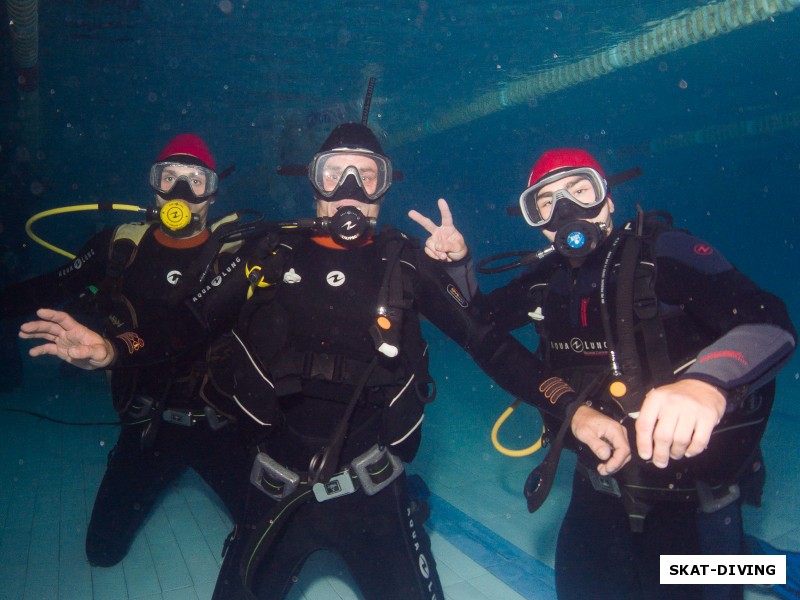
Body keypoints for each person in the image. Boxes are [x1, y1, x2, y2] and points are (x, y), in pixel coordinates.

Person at [17, 126, 633, 600]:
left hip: (374, 494)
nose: (348, 192)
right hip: (272, 491)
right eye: (334, 174)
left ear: (384, 188)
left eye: (365, 178)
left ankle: (412, 503)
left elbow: (489, 344)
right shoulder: (267, 250)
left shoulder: (405, 262)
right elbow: (190, 322)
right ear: (312, 183)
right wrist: (115, 348)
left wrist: (569, 409)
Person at [409, 148, 796, 600]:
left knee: (692, 584)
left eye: (580, 190)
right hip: (598, 487)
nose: (566, 210)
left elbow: (769, 320)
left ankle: (753, 563)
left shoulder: (663, 253)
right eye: (547, 202)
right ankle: (742, 562)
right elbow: (483, 326)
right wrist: (458, 265)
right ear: (537, 219)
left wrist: (705, 385)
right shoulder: (544, 279)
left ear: (607, 199)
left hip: (695, 497)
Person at [2, 133, 253, 567]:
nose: (179, 192)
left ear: (213, 193)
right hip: (146, 423)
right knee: (101, 552)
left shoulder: (236, 257)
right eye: (168, 177)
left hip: (223, 428)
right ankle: (160, 469)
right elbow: (51, 285)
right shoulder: (121, 246)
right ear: (152, 186)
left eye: (195, 180)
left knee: (273, 531)